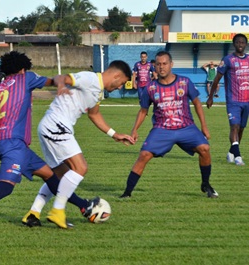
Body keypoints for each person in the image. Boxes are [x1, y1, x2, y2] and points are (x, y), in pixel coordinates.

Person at [0, 51, 98, 236]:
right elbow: (55, 79)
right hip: (13, 145)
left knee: (50, 176)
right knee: (4, 187)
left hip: (9, 144)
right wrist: (60, 84)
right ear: (21, 68)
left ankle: (84, 206)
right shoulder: (25, 78)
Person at [22, 60, 136, 229]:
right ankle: (57, 212)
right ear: (116, 75)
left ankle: (33, 213)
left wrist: (114, 134)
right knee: (81, 168)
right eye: (121, 83)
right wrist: (60, 85)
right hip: (56, 125)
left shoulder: (98, 92)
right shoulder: (90, 79)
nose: (120, 87)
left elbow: (94, 115)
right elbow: (62, 77)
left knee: (59, 175)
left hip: (49, 127)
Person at [119, 51, 218, 199]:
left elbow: (197, 103)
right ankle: (127, 193)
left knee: (205, 148)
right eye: (158, 64)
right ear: (155, 66)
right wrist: (134, 130)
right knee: (144, 155)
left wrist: (204, 126)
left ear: (171, 64)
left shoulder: (184, 82)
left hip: (186, 127)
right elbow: (143, 110)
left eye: (164, 64)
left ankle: (206, 184)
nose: (161, 67)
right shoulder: (150, 88)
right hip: (162, 129)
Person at [206, 33, 249, 166]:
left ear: (246, 44)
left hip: (246, 101)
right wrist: (210, 97)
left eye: (242, 42)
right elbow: (217, 79)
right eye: (237, 42)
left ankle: (231, 152)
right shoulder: (228, 60)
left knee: (241, 129)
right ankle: (238, 157)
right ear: (234, 44)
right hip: (233, 101)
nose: (240, 45)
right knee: (234, 127)